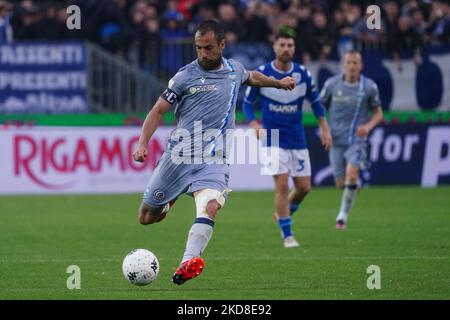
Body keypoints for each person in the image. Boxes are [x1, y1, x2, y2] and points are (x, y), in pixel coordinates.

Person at [133, 20, 296, 285]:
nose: (203, 54)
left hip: (213, 161)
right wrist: (142, 143)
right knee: (146, 218)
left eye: (208, 48)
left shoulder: (235, 70)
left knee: (210, 206)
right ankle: (170, 200)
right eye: (198, 48)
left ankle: (188, 261)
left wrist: (278, 84)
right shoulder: (185, 76)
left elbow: (253, 77)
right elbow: (157, 111)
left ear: (222, 45)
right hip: (179, 157)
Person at [242, 31, 332, 248]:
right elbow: (247, 104)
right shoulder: (263, 73)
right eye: (282, 44)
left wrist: (325, 128)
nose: (286, 49)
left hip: (297, 138)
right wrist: (254, 123)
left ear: (294, 48)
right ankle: (288, 234)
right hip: (272, 138)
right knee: (282, 185)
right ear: (275, 47)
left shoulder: (303, 73)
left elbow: (317, 103)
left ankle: (282, 214)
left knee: (304, 188)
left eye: (290, 45)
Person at [319, 50, 383, 230]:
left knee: (352, 174)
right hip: (336, 139)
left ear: (361, 66)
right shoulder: (332, 84)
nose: (352, 66)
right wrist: (324, 129)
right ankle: (353, 186)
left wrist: (368, 127)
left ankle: (342, 218)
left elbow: (378, 113)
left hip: (357, 139)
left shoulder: (369, 87)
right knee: (342, 184)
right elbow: (319, 107)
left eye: (355, 63)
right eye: (348, 63)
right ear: (343, 65)